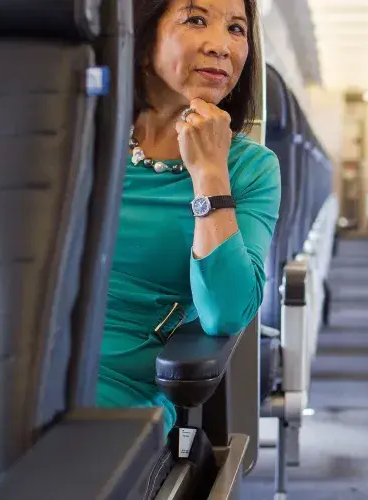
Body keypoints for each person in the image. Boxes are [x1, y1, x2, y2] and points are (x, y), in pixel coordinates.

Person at [97, 0, 280, 435]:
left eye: (236, 29)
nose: (222, 46)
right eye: (196, 19)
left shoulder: (251, 168)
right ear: (142, 40)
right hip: (24, 365)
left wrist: (210, 175)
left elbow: (226, 313)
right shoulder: (78, 137)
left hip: (125, 388)